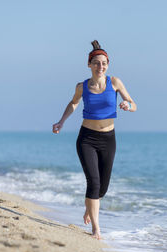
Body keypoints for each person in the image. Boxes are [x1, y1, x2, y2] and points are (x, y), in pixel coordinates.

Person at [52, 40, 136, 240]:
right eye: (96, 63)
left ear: (108, 65)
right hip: (87, 138)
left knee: (103, 188)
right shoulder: (82, 86)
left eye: (104, 63)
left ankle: (90, 207)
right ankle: (96, 229)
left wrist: (126, 104)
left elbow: (134, 104)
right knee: (94, 182)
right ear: (89, 64)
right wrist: (61, 121)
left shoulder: (115, 83)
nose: (101, 67)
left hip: (108, 139)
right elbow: (73, 104)